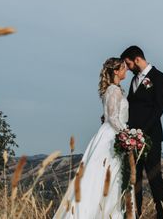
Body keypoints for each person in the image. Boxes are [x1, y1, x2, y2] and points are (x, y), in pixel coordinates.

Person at [55, 58, 130, 219]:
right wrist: (128, 134)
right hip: (112, 137)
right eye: (123, 68)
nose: (126, 71)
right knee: (104, 177)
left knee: (110, 177)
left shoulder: (114, 89)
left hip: (112, 134)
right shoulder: (114, 90)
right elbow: (112, 118)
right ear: (115, 71)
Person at [121, 45, 163, 219]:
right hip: (132, 139)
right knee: (135, 180)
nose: (127, 68)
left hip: (151, 137)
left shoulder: (159, 77)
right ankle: (135, 214)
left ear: (137, 59)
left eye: (128, 64)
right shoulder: (134, 81)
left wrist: (142, 132)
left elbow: (159, 109)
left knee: (154, 177)